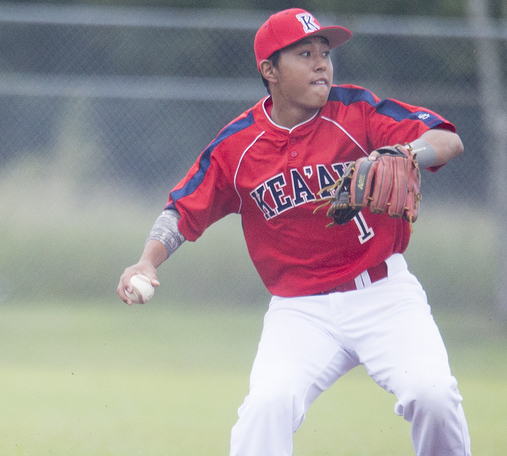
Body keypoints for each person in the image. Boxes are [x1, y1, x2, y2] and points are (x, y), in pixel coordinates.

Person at [117, 8, 471, 456]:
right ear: (269, 71)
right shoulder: (237, 145)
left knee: (433, 395)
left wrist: (407, 152)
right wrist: (148, 260)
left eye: (325, 53)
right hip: (300, 311)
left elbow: (447, 138)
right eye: (305, 54)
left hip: (384, 294)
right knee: (267, 405)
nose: (322, 63)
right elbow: (181, 211)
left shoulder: (357, 109)